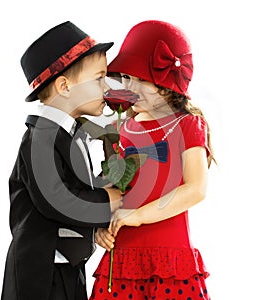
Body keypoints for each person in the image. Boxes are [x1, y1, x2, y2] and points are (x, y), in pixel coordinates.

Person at [89, 20, 214, 299]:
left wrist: (139, 215)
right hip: (122, 263)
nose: (131, 88)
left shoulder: (187, 124)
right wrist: (100, 227)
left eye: (141, 80)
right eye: (127, 78)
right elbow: (115, 190)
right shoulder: (121, 129)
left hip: (170, 262)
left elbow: (196, 189)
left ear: (167, 83)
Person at [1, 21, 123, 300]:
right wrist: (109, 200)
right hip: (39, 276)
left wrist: (92, 232)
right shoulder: (40, 138)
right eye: (99, 78)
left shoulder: (72, 133)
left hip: (68, 268)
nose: (106, 86)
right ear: (65, 86)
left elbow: (73, 194)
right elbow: (57, 200)